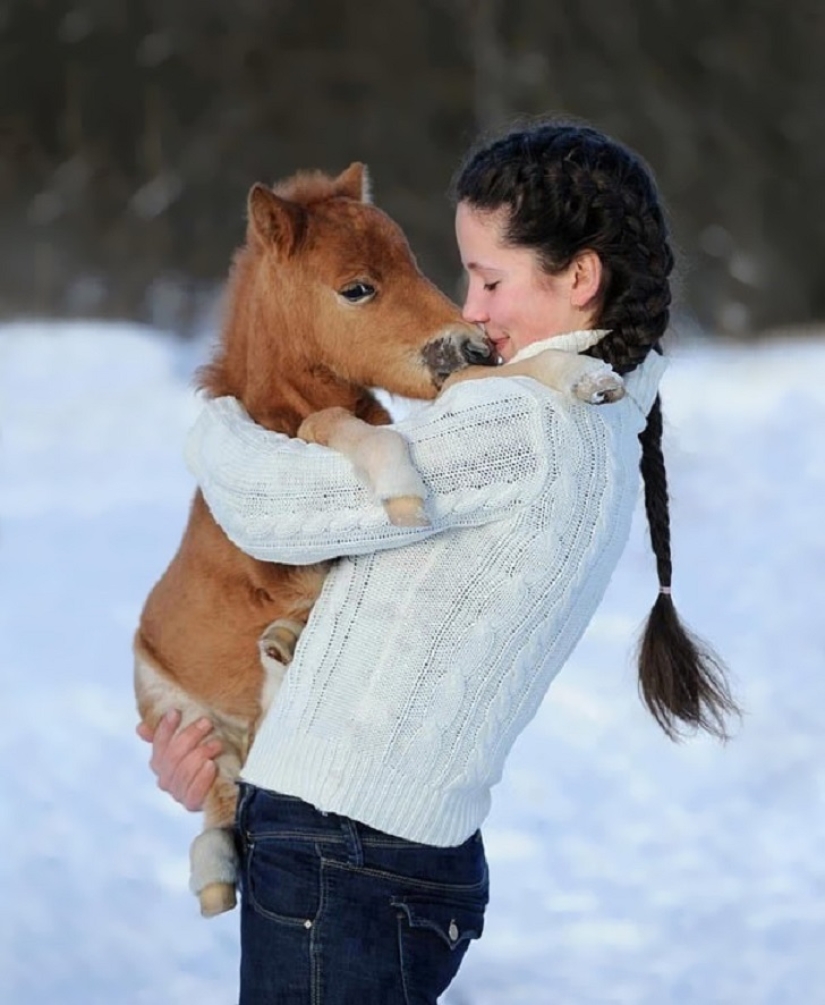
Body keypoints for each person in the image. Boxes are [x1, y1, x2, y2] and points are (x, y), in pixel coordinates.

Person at [138, 118, 737, 1003]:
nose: (471, 309)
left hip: (348, 859)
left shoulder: (527, 425)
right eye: (466, 275)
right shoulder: (589, 413)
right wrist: (229, 739)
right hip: (367, 853)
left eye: (491, 278)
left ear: (579, 277)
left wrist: (215, 418)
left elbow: (273, 505)